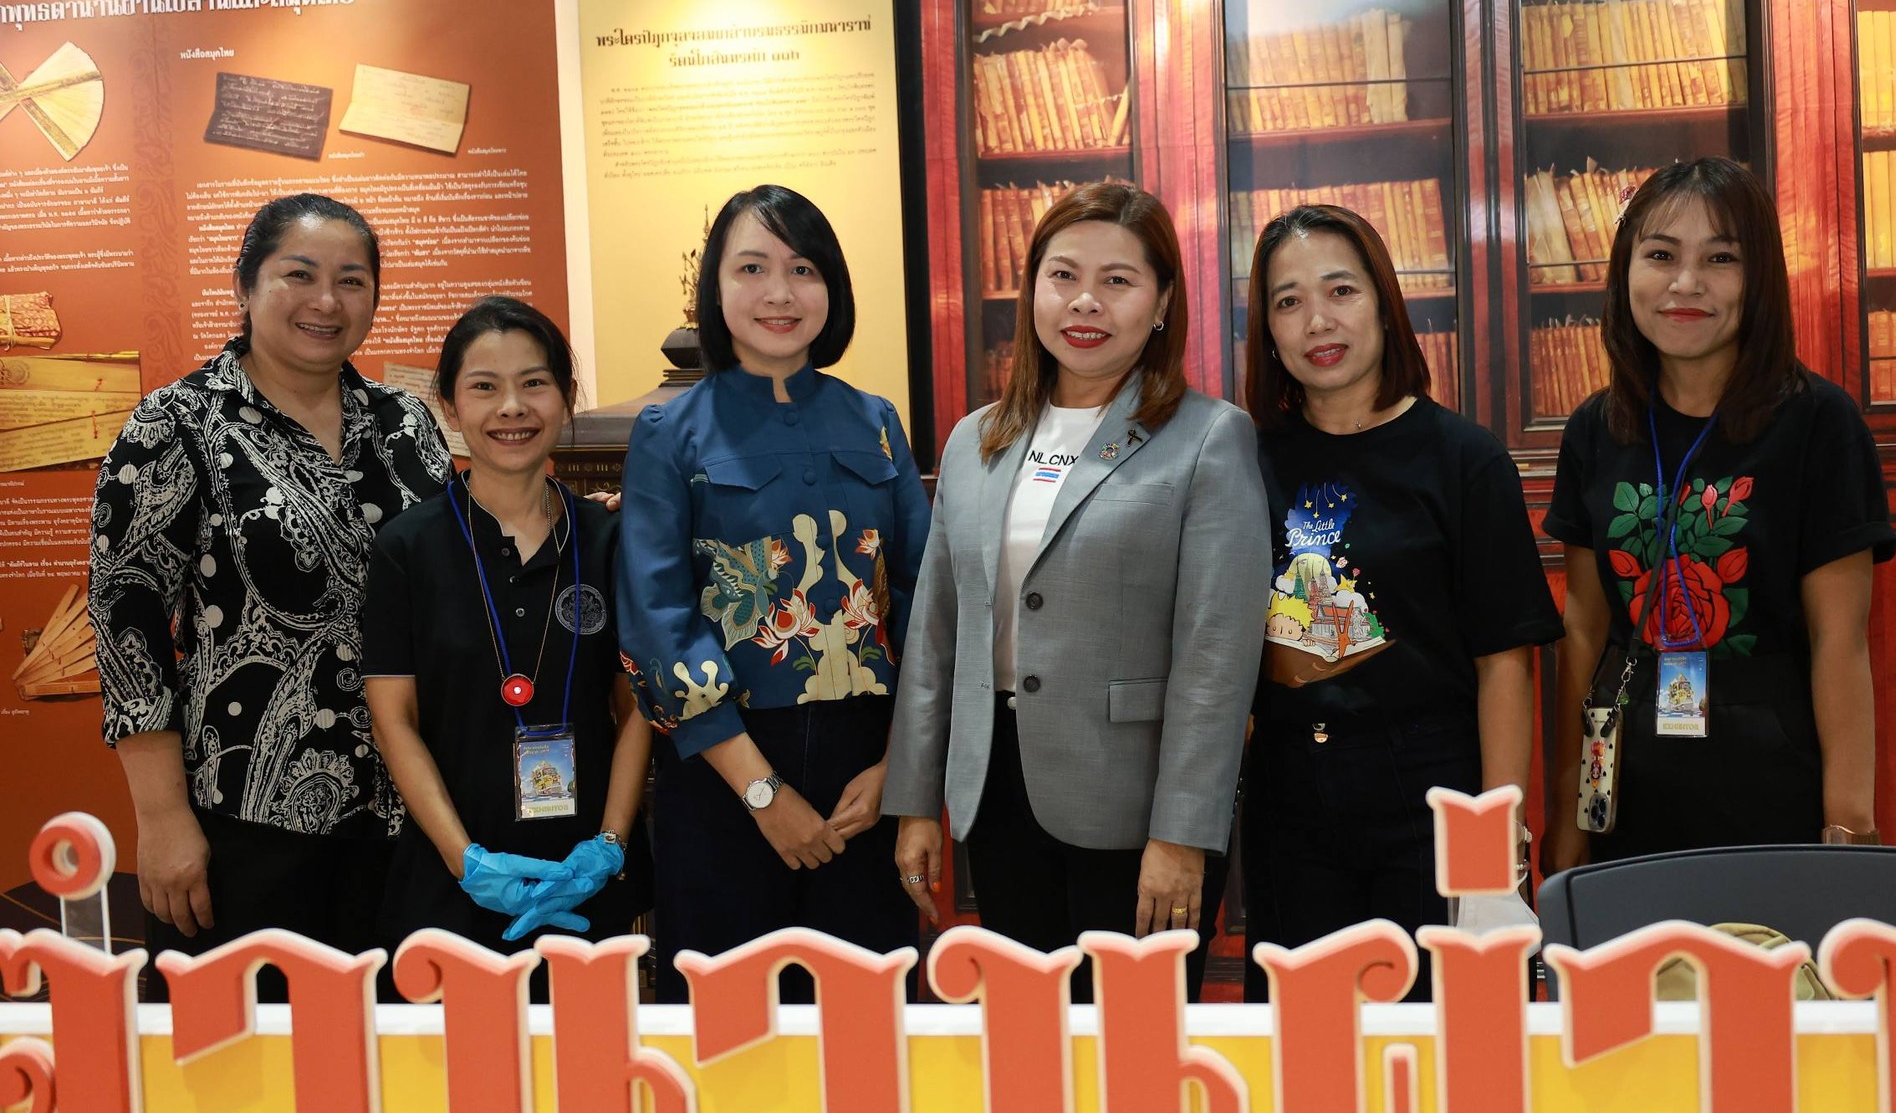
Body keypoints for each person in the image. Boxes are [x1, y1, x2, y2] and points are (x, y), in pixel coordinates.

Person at [884, 181, 1268, 998]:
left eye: (1117, 280)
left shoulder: (1208, 437)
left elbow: (1216, 660)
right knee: (1030, 1038)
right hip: (997, 792)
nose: (1085, 301)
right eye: (1063, 276)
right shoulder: (975, 440)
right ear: (1033, 290)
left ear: (1161, 301)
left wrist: (1182, 833)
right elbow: (936, 636)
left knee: (1133, 1045)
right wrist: (915, 801)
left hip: (1135, 806)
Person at [88, 194, 452, 988]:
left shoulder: (404, 423)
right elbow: (127, 624)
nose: (327, 301)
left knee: (398, 1047)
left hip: (412, 814)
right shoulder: (176, 424)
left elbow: (459, 564)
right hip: (247, 819)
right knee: (252, 1048)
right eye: (300, 274)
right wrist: (161, 819)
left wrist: (578, 526)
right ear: (245, 285)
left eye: (352, 280)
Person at [1237, 203, 1561, 1000]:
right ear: (1268, 331)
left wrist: (1496, 843)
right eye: (1288, 301)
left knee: (1440, 1040)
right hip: (1289, 798)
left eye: (1340, 290)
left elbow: (1504, 665)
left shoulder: (1464, 459)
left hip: (1431, 796)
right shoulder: (1242, 461)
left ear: (1384, 303)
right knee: (1305, 1042)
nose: (1318, 320)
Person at [616, 184, 930, 1002]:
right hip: (723, 772)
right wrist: (762, 792)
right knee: (727, 1021)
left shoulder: (877, 421)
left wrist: (899, 766)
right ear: (715, 290)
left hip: (867, 776)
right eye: (751, 268)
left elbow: (928, 600)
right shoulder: (669, 432)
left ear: (832, 286)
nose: (779, 293)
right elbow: (657, 619)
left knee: (867, 1015)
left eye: (802, 269)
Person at [1540, 157, 1894, 872]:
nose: (1686, 283)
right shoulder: (1596, 429)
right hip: (1629, 794)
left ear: (1759, 277)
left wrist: (1849, 833)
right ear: (1625, 272)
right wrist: (1570, 811)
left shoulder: (1819, 424)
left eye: (1720, 258)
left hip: (1774, 790)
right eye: (1661, 255)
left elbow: (1841, 643)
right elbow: (1584, 631)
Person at [364, 297, 652, 959]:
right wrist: (463, 859)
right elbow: (393, 721)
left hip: (588, 878)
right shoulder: (407, 547)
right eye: (484, 388)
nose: (512, 408)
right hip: (449, 884)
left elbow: (637, 707)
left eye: (534, 383)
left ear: (566, 396)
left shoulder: (609, 540)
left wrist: (611, 843)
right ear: (448, 405)